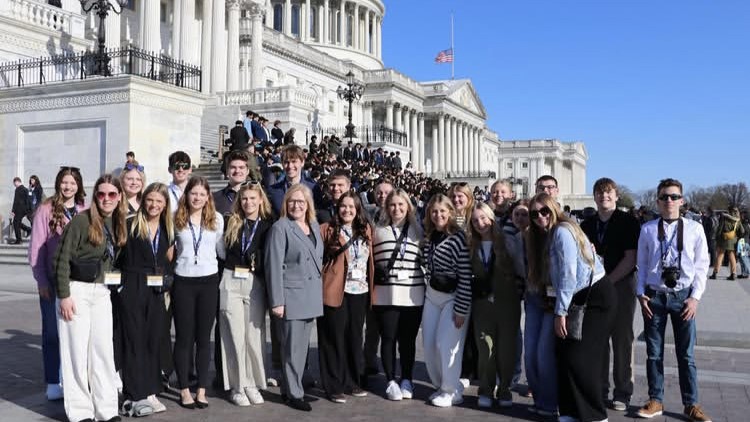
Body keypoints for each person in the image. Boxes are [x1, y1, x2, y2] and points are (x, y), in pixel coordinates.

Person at [527, 192, 615, 422]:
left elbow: (568, 275)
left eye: (544, 211)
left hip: (593, 297)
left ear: (554, 209)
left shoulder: (562, 231)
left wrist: (560, 312)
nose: (540, 217)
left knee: (581, 357)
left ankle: (595, 415)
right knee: (565, 353)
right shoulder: (548, 235)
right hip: (577, 295)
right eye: (534, 214)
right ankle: (570, 410)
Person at [635, 178, 712, 422]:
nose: (669, 201)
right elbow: (642, 264)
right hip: (655, 296)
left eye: (674, 196)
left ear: (682, 200)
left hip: (683, 297)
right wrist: (640, 294)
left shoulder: (694, 228)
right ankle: (655, 400)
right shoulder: (648, 229)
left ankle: (691, 404)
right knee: (654, 353)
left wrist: (695, 298)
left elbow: (702, 266)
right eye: (664, 197)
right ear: (657, 201)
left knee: (686, 355)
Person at [54, 174, 127, 422]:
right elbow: (61, 259)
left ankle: (107, 410)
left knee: (103, 351)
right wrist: (64, 295)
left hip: (101, 292)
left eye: (112, 194)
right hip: (77, 290)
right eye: (101, 194)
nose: (106, 199)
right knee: (76, 352)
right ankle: (80, 412)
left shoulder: (118, 222)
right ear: (95, 195)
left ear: (119, 197)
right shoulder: (81, 221)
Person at [581, 178, 640, 412]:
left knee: (622, 339)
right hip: (595, 288)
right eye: (599, 193)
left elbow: (631, 258)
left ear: (616, 196)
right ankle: (600, 387)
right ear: (594, 197)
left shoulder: (627, 222)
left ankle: (623, 391)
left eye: (608, 193)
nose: (603, 196)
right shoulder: (587, 225)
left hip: (621, 285)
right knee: (598, 340)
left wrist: (608, 281)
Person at [116, 183, 174, 417]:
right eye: (150, 200)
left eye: (159, 201)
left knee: (152, 339)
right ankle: (134, 392)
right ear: (144, 200)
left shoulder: (167, 229)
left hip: (155, 289)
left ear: (165, 205)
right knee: (133, 341)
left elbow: (169, 259)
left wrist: (168, 280)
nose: (154, 205)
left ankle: (150, 389)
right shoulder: (130, 224)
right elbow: (117, 257)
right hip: (132, 287)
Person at [265, 184, 324, 412]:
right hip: (291, 296)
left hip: (310, 296)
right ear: (285, 204)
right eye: (292, 201)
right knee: (291, 349)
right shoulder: (281, 228)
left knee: (302, 349)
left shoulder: (314, 226)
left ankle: (293, 387)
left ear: (308, 204)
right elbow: (274, 265)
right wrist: (277, 301)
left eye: (301, 201)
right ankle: (293, 393)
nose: (296, 205)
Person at [29, 166, 85, 401]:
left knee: (75, 333)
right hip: (52, 281)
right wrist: (41, 279)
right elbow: (36, 249)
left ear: (79, 186)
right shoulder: (46, 209)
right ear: (58, 183)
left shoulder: (85, 209)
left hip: (79, 281)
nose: (68, 186)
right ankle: (53, 380)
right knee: (52, 332)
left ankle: (72, 378)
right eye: (64, 182)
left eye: (72, 183)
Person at [172, 176, 225, 409]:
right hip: (183, 282)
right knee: (184, 338)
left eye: (202, 194)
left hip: (208, 282)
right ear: (187, 195)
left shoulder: (217, 219)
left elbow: (221, 250)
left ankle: (201, 389)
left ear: (208, 197)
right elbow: (169, 250)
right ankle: (184, 389)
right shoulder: (176, 219)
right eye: (194, 193)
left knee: (204, 338)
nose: (198, 198)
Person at [220, 182, 273, 406]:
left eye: (252, 198)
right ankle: (237, 386)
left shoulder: (269, 225)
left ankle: (252, 382)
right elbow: (221, 251)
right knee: (233, 335)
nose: (248, 202)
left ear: (261, 200)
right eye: (244, 199)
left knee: (253, 336)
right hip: (231, 278)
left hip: (255, 283)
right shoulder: (230, 222)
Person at [318, 192, 374, 403]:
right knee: (333, 338)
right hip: (335, 289)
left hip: (359, 291)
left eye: (352, 207)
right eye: (343, 206)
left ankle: (352, 381)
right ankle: (333, 385)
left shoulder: (366, 229)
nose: (347, 210)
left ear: (358, 209)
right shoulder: (327, 229)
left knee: (354, 337)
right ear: (337, 207)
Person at [371, 188, 425, 401]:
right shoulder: (378, 231)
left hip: (412, 294)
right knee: (388, 338)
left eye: (401, 205)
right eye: (393, 205)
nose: (397, 209)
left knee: (408, 341)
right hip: (386, 294)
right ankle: (391, 381)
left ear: (408, 207)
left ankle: (407, 379)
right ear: (387, 207)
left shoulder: (418, 231)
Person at [420, 194, 472, 407]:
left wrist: (461, 309)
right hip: (433, 296)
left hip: (454, 297)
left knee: (446, 344)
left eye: (442, 211)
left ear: (450, 212)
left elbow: (465, 274)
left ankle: (452, 391)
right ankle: (442, 385)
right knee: (429, 345)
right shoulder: (428, 237)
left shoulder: (458, 237)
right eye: (434, 211)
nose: (438, 215)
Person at [468, 202, 520, 409]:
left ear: (491, 218)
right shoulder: (471, 244)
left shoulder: (508, 242)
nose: (480, 223)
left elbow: (521, 269)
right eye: (475, 220)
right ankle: (486, 389)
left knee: (507, 350)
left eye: (483, 218)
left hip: (507, 304)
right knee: (486, 349)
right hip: (482, 305)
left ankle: (505, 389)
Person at [267, 145, 322, 216]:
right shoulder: (273, 191)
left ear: (302, 163)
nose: (290, 166)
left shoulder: (313, 189)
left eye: (294, 161)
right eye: (286, 162)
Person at [710, 205, 744, 280]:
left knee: (720, 255)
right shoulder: (737, 220)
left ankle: (715, 273)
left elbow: (720, 229)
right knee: (732, 256)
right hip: (733, 240)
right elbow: (742, 231)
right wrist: (737, 236)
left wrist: (717, 238)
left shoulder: (725, 218)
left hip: (723, 239)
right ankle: (733, 273)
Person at [11, 176, 32, 243]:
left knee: (15, 223)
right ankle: (28, 229)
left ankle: (19, 240)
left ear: (17, 181)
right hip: (24, 209)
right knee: (17, 223)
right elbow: (28, 200)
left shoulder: (18, 189)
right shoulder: (25, 189)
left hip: (19, 209)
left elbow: (16, 200)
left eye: (14, 183)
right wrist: (28, 210)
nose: (14, 185)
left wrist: (13, 210)